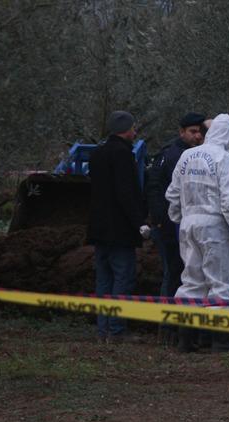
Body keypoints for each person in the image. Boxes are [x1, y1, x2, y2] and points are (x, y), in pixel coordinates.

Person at [165, 113, 229, 352]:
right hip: (215, 227)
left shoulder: (187, 155)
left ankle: (186, 341)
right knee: (219, 282)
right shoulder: (226, 159)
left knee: (191, 281)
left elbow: (172, 194)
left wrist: (178, 219)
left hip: (188, 224)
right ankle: (220, 341)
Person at [87, 110, 146, 343]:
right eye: (133, 127)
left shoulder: (98, 154)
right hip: (119, 230)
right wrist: (139, 222)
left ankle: (103, 330)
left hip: (99, 229)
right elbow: (126, 193)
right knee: (122, 278)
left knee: (103, 279)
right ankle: (116, 330)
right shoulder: (123, 155)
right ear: (126, 129)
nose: (135, 131)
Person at [146, 113, 206, 298]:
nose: (198, 136)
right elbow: (156, 189)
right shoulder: (172, 156)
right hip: (170, 226)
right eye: (193, 131)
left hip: (184, 224)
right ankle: (169, 323)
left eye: (200, 132)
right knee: (174, 273)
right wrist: (160, 220)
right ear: (182, 132)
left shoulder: (191, 154)